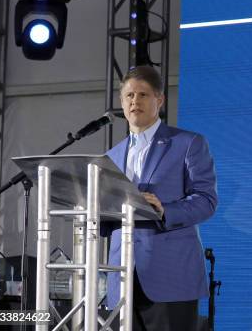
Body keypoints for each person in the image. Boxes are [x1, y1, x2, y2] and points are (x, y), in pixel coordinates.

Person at [104, 66, 217, 331]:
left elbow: (206, 200)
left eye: (143, 95)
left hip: (170, 276)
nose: (135, 101)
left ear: (159, 100)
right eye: (129, 95)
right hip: (121, 279)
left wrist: (164, 210)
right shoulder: (111, 155)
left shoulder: (188, 143)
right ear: (122, 102)